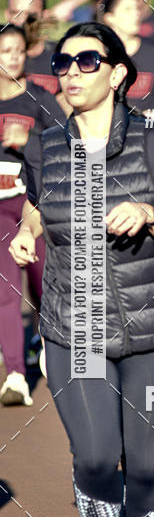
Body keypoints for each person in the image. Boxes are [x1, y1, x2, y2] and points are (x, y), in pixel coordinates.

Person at [9, 21, 154, 517]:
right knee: (94, 458)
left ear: (117, 74)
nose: (72, 72)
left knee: (145, 464)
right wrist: (26, 233)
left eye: (87, 61)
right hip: (76, 324)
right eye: (63, 63)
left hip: (153, 330)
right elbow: (38, 205)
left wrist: (148, 213)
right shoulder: (44, 146)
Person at [0, 24, 65, 405]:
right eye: (4, 51)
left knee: (41, 287)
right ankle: (15, 376)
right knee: (6, 289)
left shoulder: (39, 98)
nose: (12, 57)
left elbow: (67, 142)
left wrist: (30, 140)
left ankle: (48, 344)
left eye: (17, 50)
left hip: (32, 204)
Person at [101, 0, 154, 116]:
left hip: (147, 126)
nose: (136, 13)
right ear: (109, 18)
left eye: (137, 9)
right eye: (128, 9)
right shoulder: (98, 54)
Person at [5, 0, 59, 95]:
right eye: (16, 13)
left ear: (44, 15)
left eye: (30, 15)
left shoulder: (60, 55)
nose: (22, 21)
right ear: (7, 14)